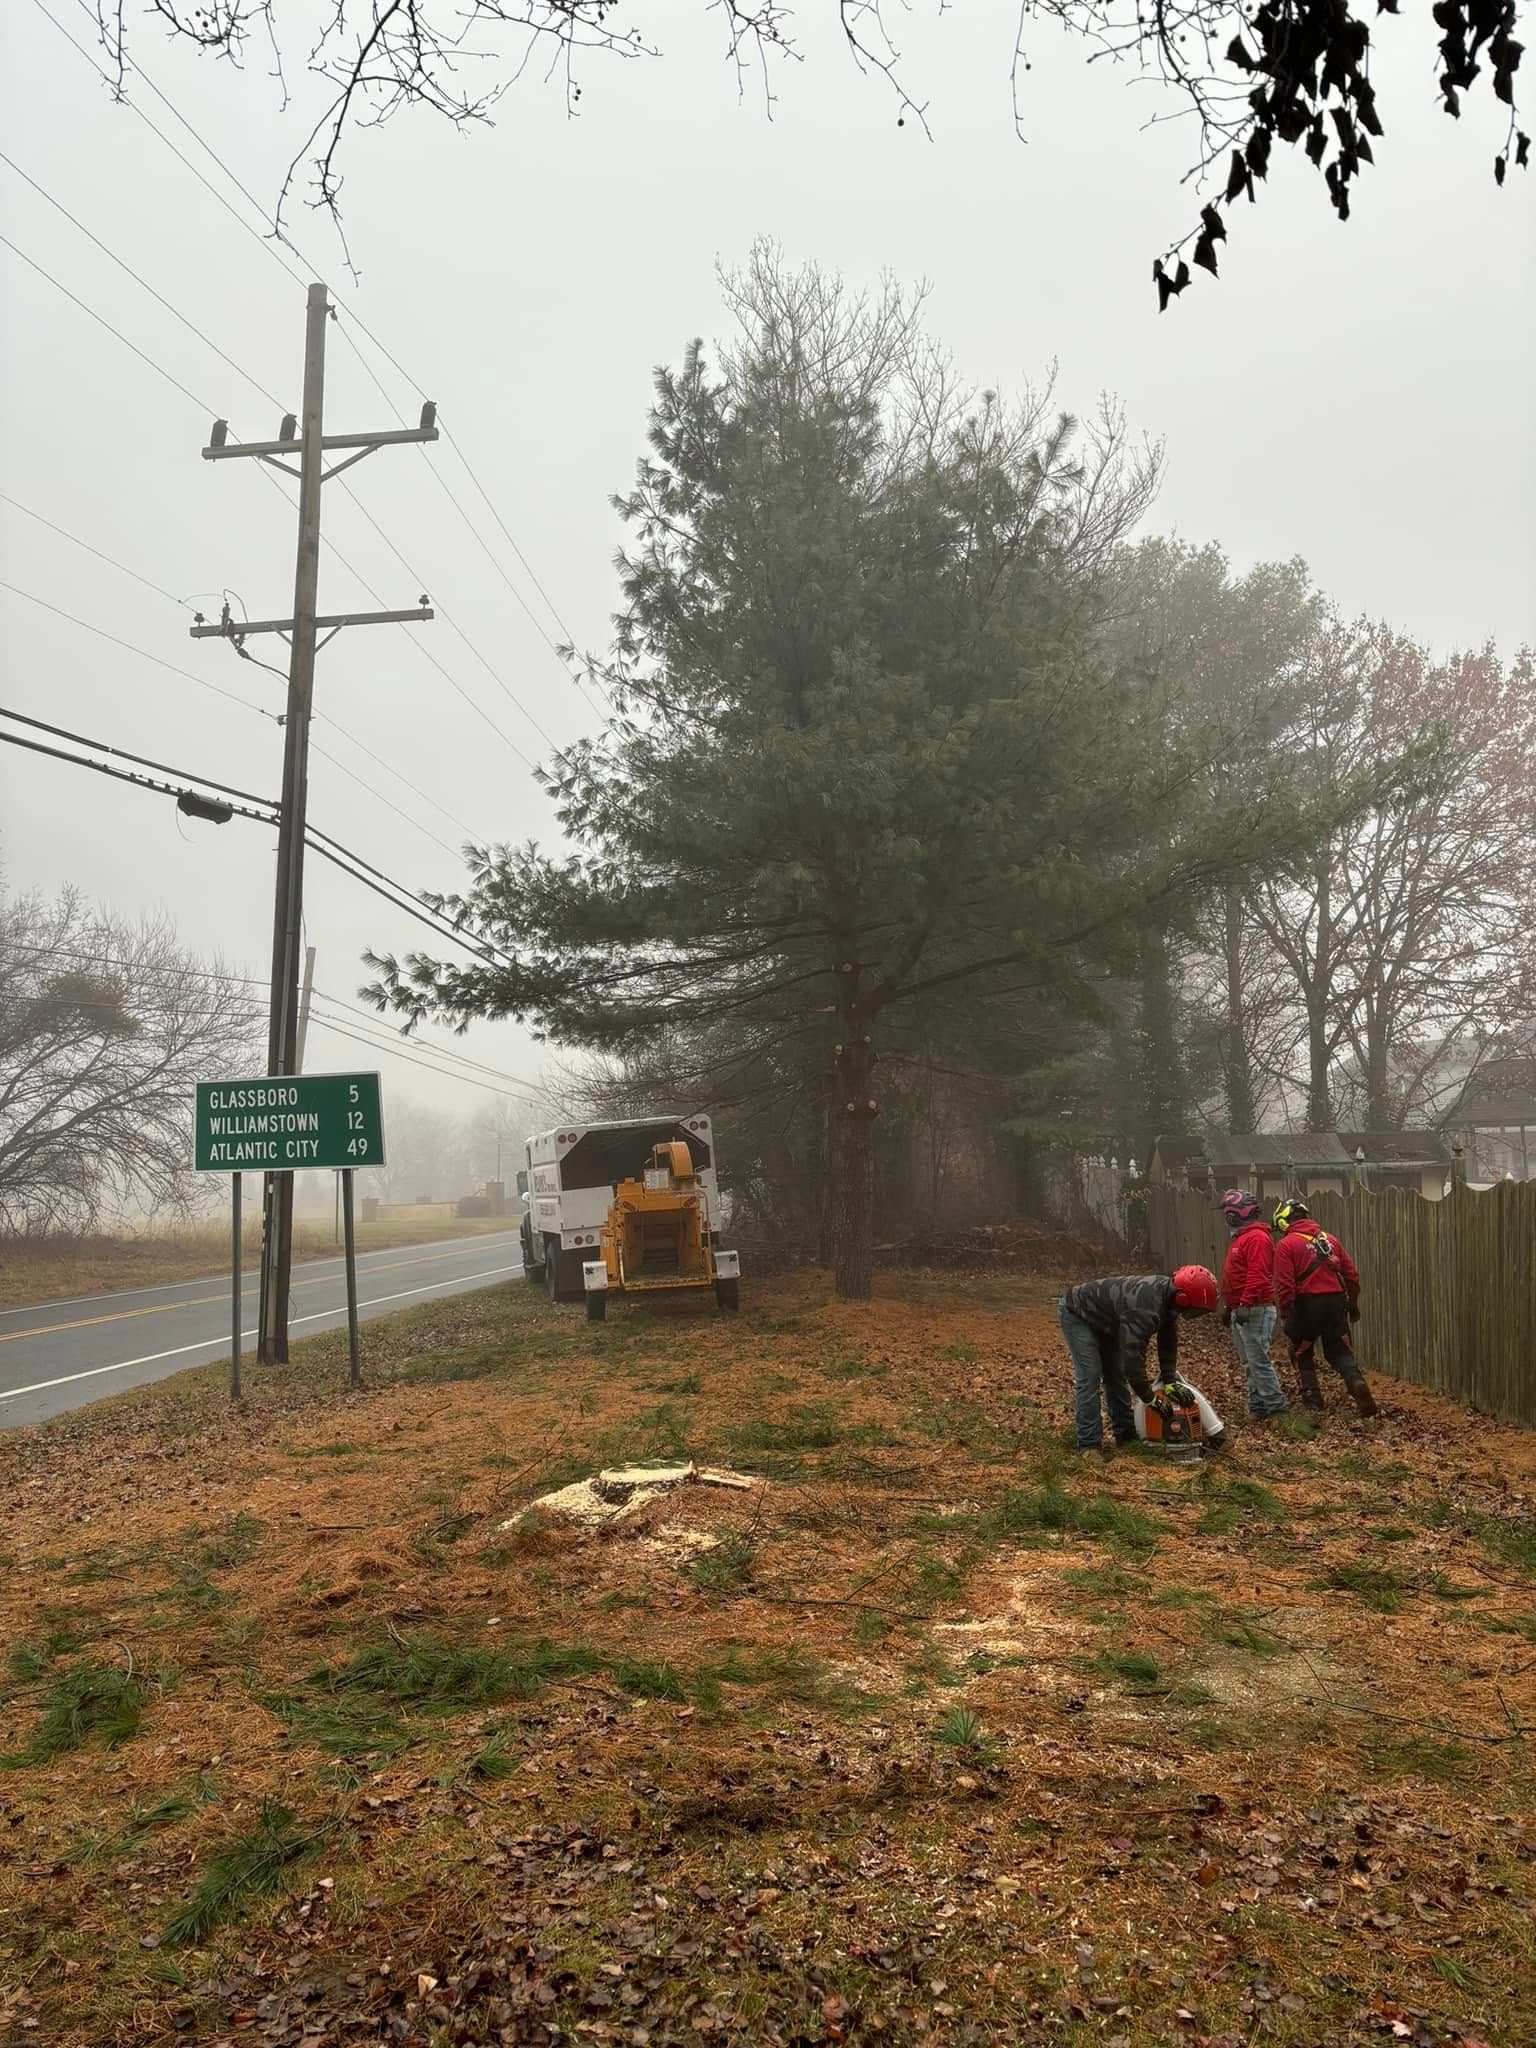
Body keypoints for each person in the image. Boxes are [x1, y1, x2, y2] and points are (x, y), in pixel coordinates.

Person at [1058, 1266, 1221, 1452]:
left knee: (1115, 1376)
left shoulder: (1168, 1297)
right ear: (1183, 1299)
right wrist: (1149, 1398)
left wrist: (1169, 1381)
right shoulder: (1144, 1308)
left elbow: (1167, 1341)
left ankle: (1125, 1435)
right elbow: (1133, 1360)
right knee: (1090, 1377)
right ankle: (1088, 1445)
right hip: (1078, 1313)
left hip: (1107, 1319)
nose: (1194, 1314)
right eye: (1196, 1309)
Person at [1272, 1198, 1379, 1418]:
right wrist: (1353, 1304)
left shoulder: (1286, 1245)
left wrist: (1285, 1313)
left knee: (1302, 1351)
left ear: (1284, 1220)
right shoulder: (1330, 1240)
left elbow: (1284, 1285)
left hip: (1307, 1304)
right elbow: (1352, 1275)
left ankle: (1313, 1401)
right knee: (1340, 1351)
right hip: (1336, 1301)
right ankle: (1356, 1382)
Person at [1218, 1188, 1289, 1420]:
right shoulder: (1242, 1238)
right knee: (1248, 1362)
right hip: (1242, 1307)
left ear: (1235, 1214)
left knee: (1259, 1361)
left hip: (1256, 1308)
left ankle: (1277, 1409)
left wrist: (1246, 1303)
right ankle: (1258, 1406)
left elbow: (1258, 1275)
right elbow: (1237, 1275)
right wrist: (1230, 1306)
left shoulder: (1257, 1238)